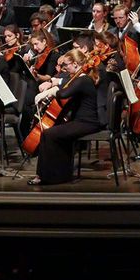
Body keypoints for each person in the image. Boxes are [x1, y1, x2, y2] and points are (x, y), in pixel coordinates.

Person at [29, 49, 101, 185]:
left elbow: (63, 94)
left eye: (66, 65)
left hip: (87, 123)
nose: (64, 68)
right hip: (79, 121)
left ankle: (48, 176)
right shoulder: (77, 78)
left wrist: (49, 92)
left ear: (75, 64)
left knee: (49, 134)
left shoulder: (83, 79)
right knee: (52, 133)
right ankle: (59, 174)